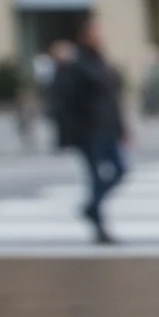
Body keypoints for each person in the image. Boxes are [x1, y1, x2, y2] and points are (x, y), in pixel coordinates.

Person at [61, 13, 128, 245]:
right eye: (95, 31)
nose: (100, 35)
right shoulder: (77, 63)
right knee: (95, 177)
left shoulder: (100, 60)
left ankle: (91, 207)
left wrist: (121, 129)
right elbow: (68, 101)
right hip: (89, 131)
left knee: (119, 171)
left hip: (107, 128)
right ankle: (99, 226)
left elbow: (112, 98)